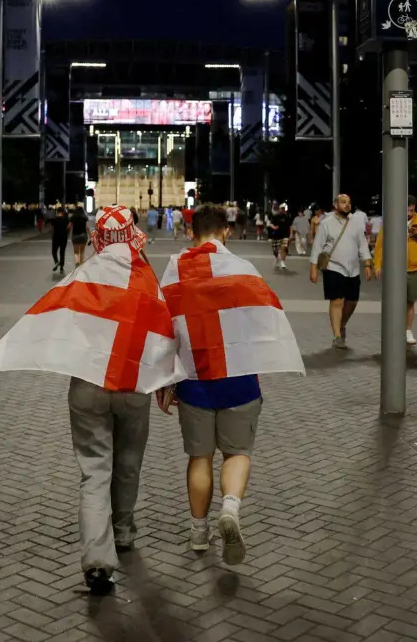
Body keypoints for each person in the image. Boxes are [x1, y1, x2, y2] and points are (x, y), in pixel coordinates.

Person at [0, 205, 183, 596]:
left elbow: (55, 318)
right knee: (128, 464)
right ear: (133, 235)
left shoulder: (82, 276)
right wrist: (169, 381)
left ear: (97, 237)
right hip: (133, 386)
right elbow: (165, 332)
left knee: (94, 472)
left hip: (89, 387)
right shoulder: (145, 278)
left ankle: (97, 559)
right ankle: (125, 532)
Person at [156, 204, 304, 566]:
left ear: (192, 232)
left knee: (199, 457)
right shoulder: (243, 268)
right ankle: (232, 508)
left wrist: (163, 379)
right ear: (226, 232)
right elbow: (266, 316)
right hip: (239, 378)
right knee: (237, 453)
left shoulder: (174, 269)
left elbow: (163, 324)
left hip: (194, 380)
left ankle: (198, 532)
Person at [308, 194, 372, 349]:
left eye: (349, 202)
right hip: (333, 267)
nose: (347, 205)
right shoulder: (326, 223)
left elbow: (362, 243)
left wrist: (367, 263)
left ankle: (342, 324)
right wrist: (313, 268)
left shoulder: (356, 223)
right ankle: (337, 335)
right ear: (336, 205)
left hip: (353, 269)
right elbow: (317, 245)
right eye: (343, 202)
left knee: (352, 302)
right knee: (337, 301)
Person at [373, 195, 417, 345]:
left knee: (409, 302)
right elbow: (380, 245)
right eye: (407, 209)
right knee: (394, 302)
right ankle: (392, 331)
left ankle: (407, 331)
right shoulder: (391, 221)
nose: (409, 212)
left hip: (415, 268)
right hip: (394, 270)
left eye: (411, 209)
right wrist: (377, 264)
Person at [267, 204, 292, 270]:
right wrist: (274, 227)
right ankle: (278, 258)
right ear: (279, 209)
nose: (283, 210)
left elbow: (290, 226)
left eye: (284, 208)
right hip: (276, 235)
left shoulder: (287, 217)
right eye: (282, 208)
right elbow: (271, 224)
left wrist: (291, 234)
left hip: (284, 235)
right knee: (275, 251)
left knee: (283, 248)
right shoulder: (275, 216)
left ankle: (282, 262)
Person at [50, 206, 70, 274]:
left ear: (57, 212)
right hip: (64, 237)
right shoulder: (66, 219)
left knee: (54, 251)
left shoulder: (54, 219)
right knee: (62, 252)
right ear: (63, 212)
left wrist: (52, 236)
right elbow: (68, 228)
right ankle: (61, 268)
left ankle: (57, 262)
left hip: (56, 237)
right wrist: (67, 235)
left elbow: (52, 229)